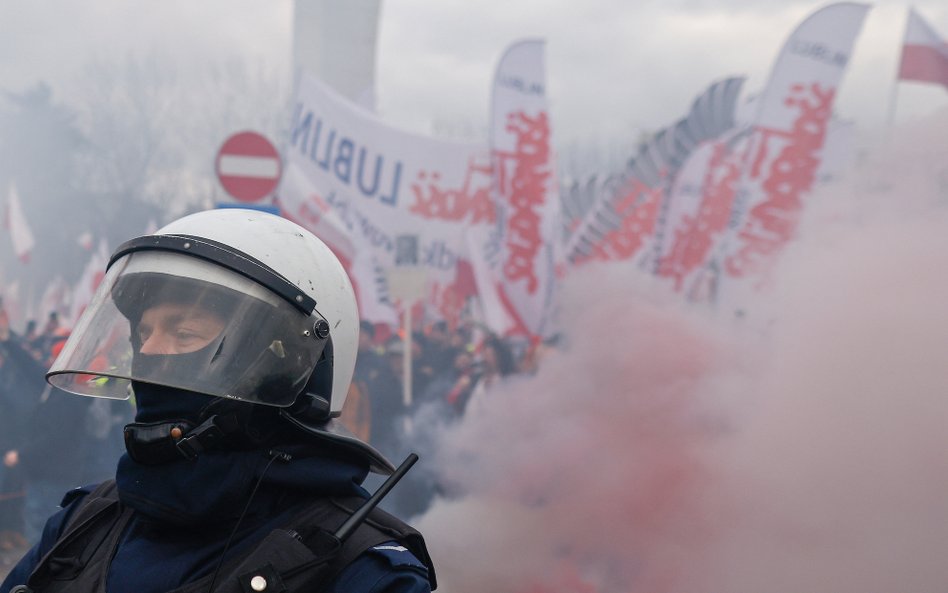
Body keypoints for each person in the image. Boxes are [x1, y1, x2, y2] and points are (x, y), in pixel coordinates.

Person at [0, 209, 436, 593]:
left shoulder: (360, 568)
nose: (149, 352)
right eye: (144, 333)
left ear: (280, 365)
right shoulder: (84, 522)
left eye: (184, 333)